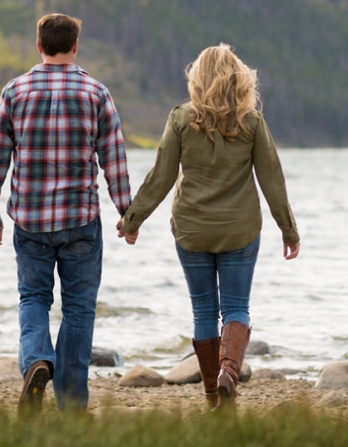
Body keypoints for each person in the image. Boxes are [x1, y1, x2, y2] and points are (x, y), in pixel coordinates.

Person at [117, 43, 299, 409]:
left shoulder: (181, 120)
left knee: (203, 311)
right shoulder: (251, 122)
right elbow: (272, 179)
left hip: (192, 229)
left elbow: (162, 175)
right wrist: (288, 230)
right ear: (239, 79)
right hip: (239, 230)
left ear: (196, 79)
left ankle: (214, 398)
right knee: (236, 308)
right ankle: (229, 373)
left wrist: (132, 219)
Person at [0, 12, 131, 415]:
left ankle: (36, 362)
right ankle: (71, 406)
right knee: (79, 309)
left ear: (39, 46)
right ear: (75, 46)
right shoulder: (96, 93)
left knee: (33, 297)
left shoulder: (14, 92)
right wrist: (126, 212)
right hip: (81, 220)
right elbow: (112, 158)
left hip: (29, 220)